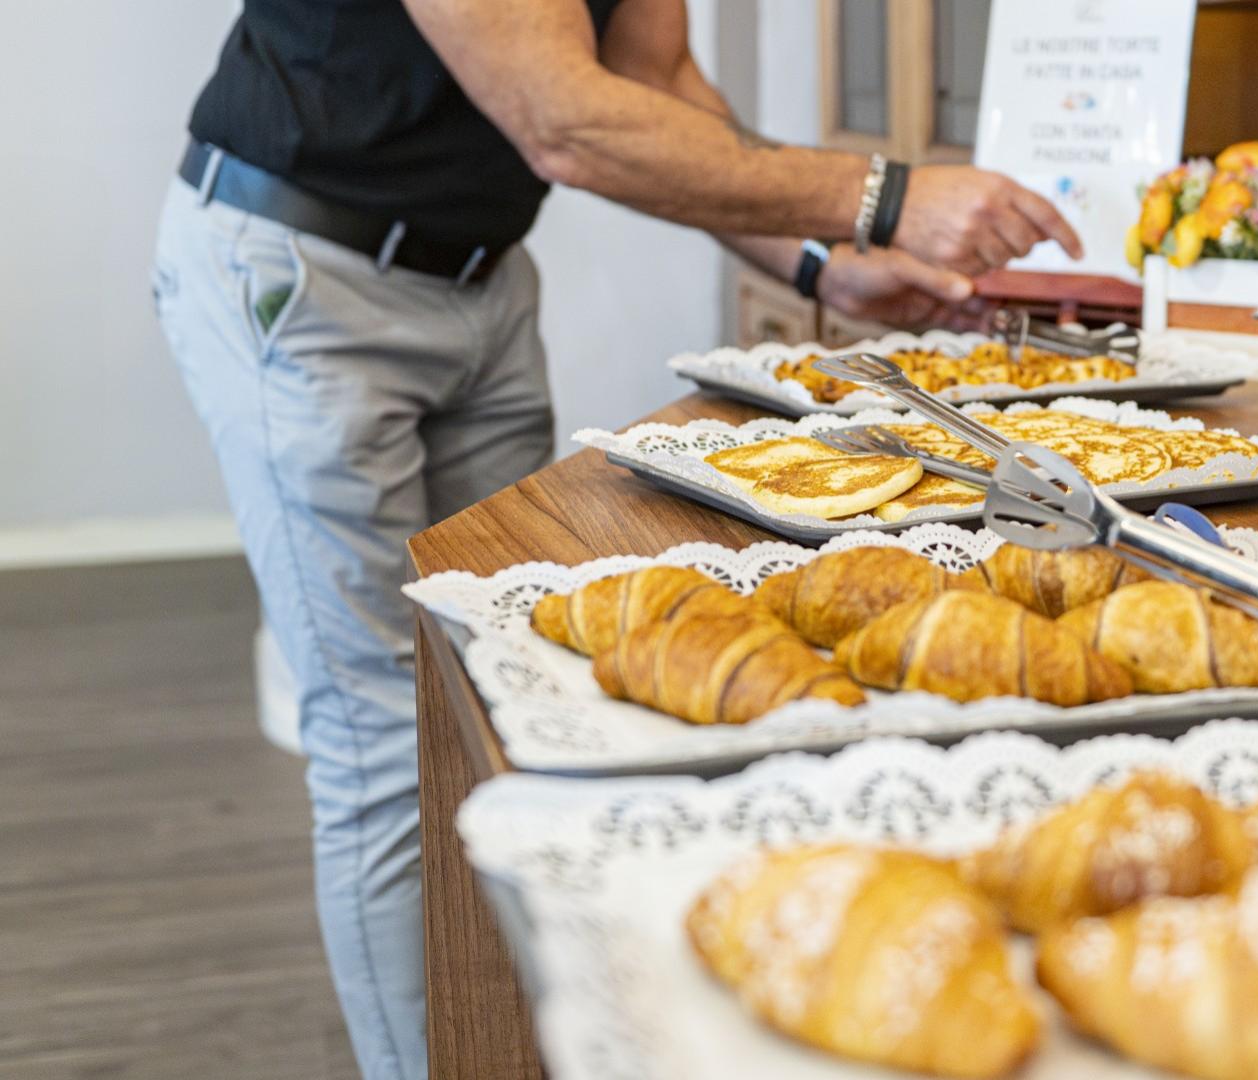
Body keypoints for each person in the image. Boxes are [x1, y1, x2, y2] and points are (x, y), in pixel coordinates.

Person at [150, 2, 1081, 1077]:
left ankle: (525, 1048)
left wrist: (825, 262)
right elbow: (566, 120)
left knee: (524, 698)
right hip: (304, 273)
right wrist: (890, 198)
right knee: (381, 745)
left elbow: (658, 82)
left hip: (483, 285)